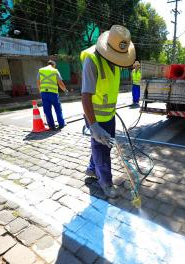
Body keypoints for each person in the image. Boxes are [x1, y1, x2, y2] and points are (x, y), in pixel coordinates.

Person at [81, 25, 136, 198]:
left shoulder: (116, 62)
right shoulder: (92, 61)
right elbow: (85, 96)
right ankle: (105, 183)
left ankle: (91, 169)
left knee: (104, 147)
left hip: (109, 116)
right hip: (95, 118)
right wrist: (94, 126)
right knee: (102, 151)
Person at [36, 60, 68, 130]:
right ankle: (61, 124)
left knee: (47, 110)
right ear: (53, 65)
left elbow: (38, 82)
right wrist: (65, 90)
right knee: (58, 109)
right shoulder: (55, 71)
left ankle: (51, 126)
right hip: (53, 93)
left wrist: (40, 91)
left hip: (44, 93)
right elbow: (60, 83)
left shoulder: (40, 71)